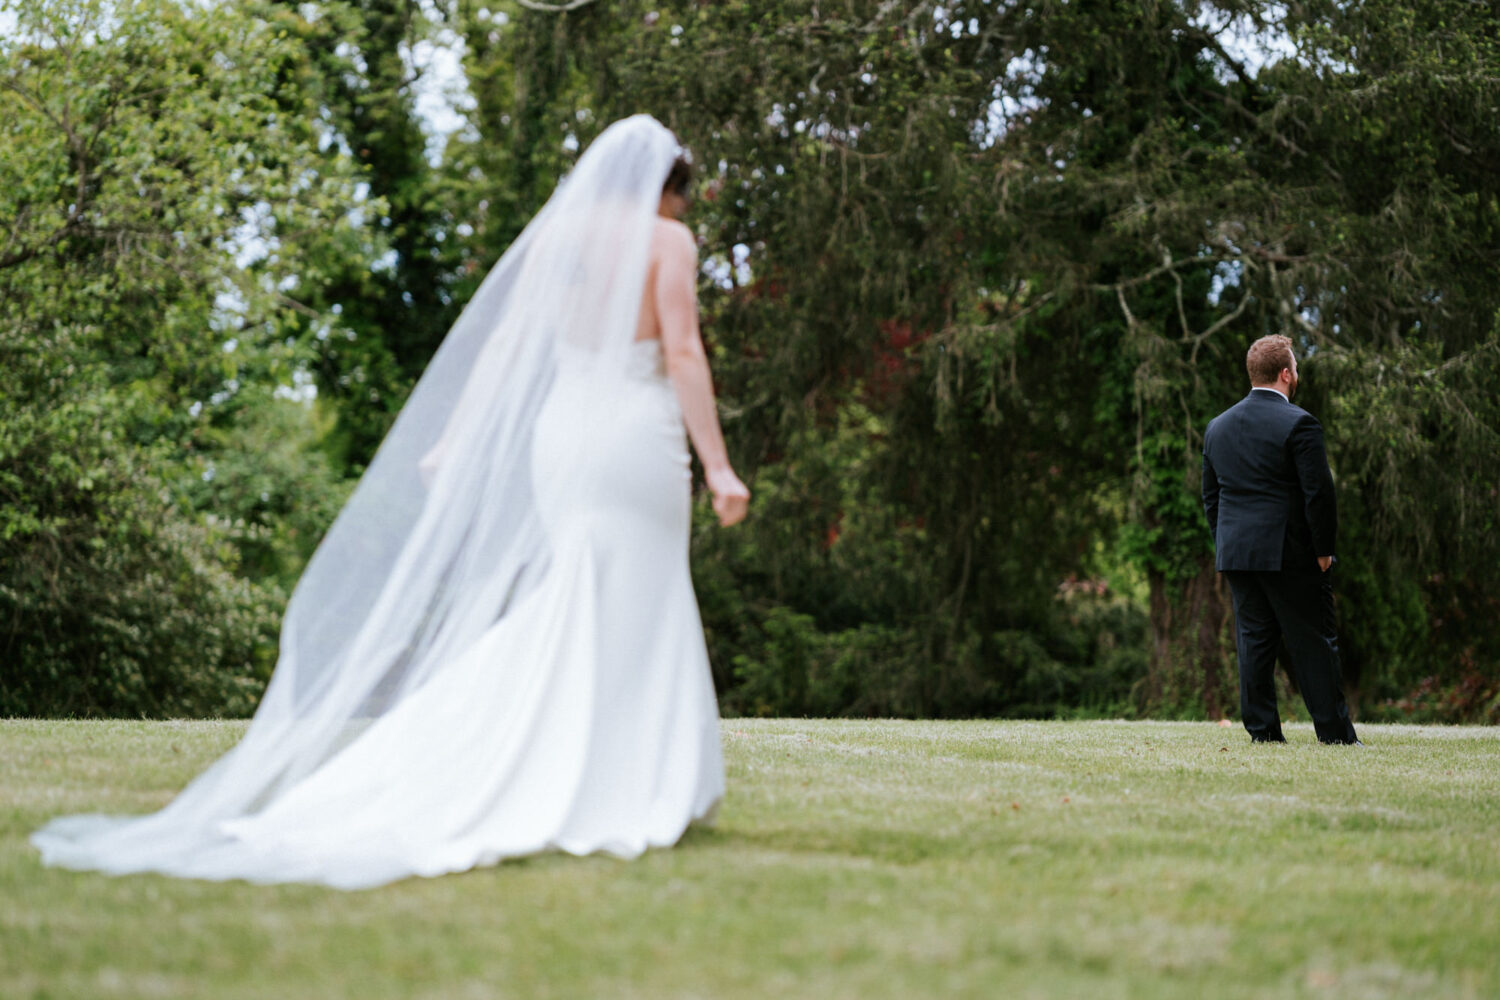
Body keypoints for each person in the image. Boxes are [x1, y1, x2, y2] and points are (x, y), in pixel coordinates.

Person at [32, 114, 751, 889]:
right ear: (665, 190)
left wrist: (456, 440)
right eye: (679, 199)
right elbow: (680, 351)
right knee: (632, 597)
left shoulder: (560, 237)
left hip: (565, 439)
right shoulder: (666, 242)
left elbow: (508, 346)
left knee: (582, 591)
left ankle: (594, 768)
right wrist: (718, 468)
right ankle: (629, 780)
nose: (678, 213)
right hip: (632, 438)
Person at [1201, 334, 1359, 745]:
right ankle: (1336, 735)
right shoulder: (1300, 423)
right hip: (1289, 552)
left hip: (1237, 553)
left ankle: (1263, 733)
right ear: (1286, 374)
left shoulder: (1218, 427)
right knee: (1312, 641)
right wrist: (1323, 551)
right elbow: (1319, 493)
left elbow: (1211, 496)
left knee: (1253, 642)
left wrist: (1226, 543)